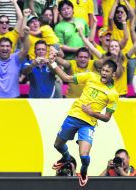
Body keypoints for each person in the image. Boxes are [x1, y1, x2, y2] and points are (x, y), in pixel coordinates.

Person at [50, 57, 119, 186]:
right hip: (73, 116)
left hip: (88, 124)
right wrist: (52, 64)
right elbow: (66, 78)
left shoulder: (113, 94)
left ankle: (83, 171)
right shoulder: (90, 76)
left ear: (113, 74)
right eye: (103, 70)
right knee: (57, 145)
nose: (104, 73)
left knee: (84, 155)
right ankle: (66, 157)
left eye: (107, 71)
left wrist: (91, 113)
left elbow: (107, 118)